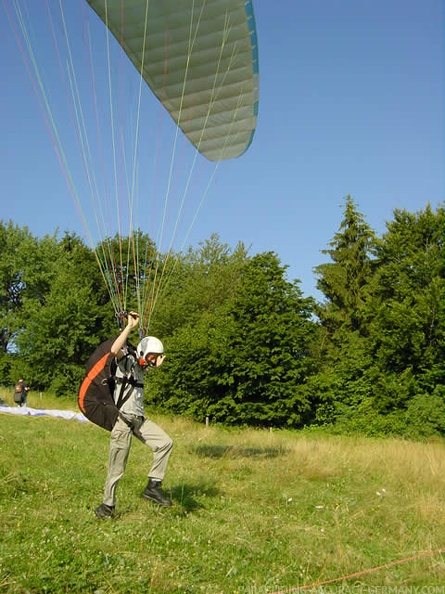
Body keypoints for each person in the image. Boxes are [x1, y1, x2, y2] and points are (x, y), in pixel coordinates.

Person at [94, 311, 173, 519]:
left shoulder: (141, 369)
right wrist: (129, 327)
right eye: (153, 357)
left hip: (138, 420)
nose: (155, 361)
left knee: (165, 443)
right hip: (122, 421)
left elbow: (147, 362)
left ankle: (153, 486)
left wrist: (153, 358)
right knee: (116, 468)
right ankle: (107, 506)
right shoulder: (126, 362)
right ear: (143, 353)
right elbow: (114, 349)